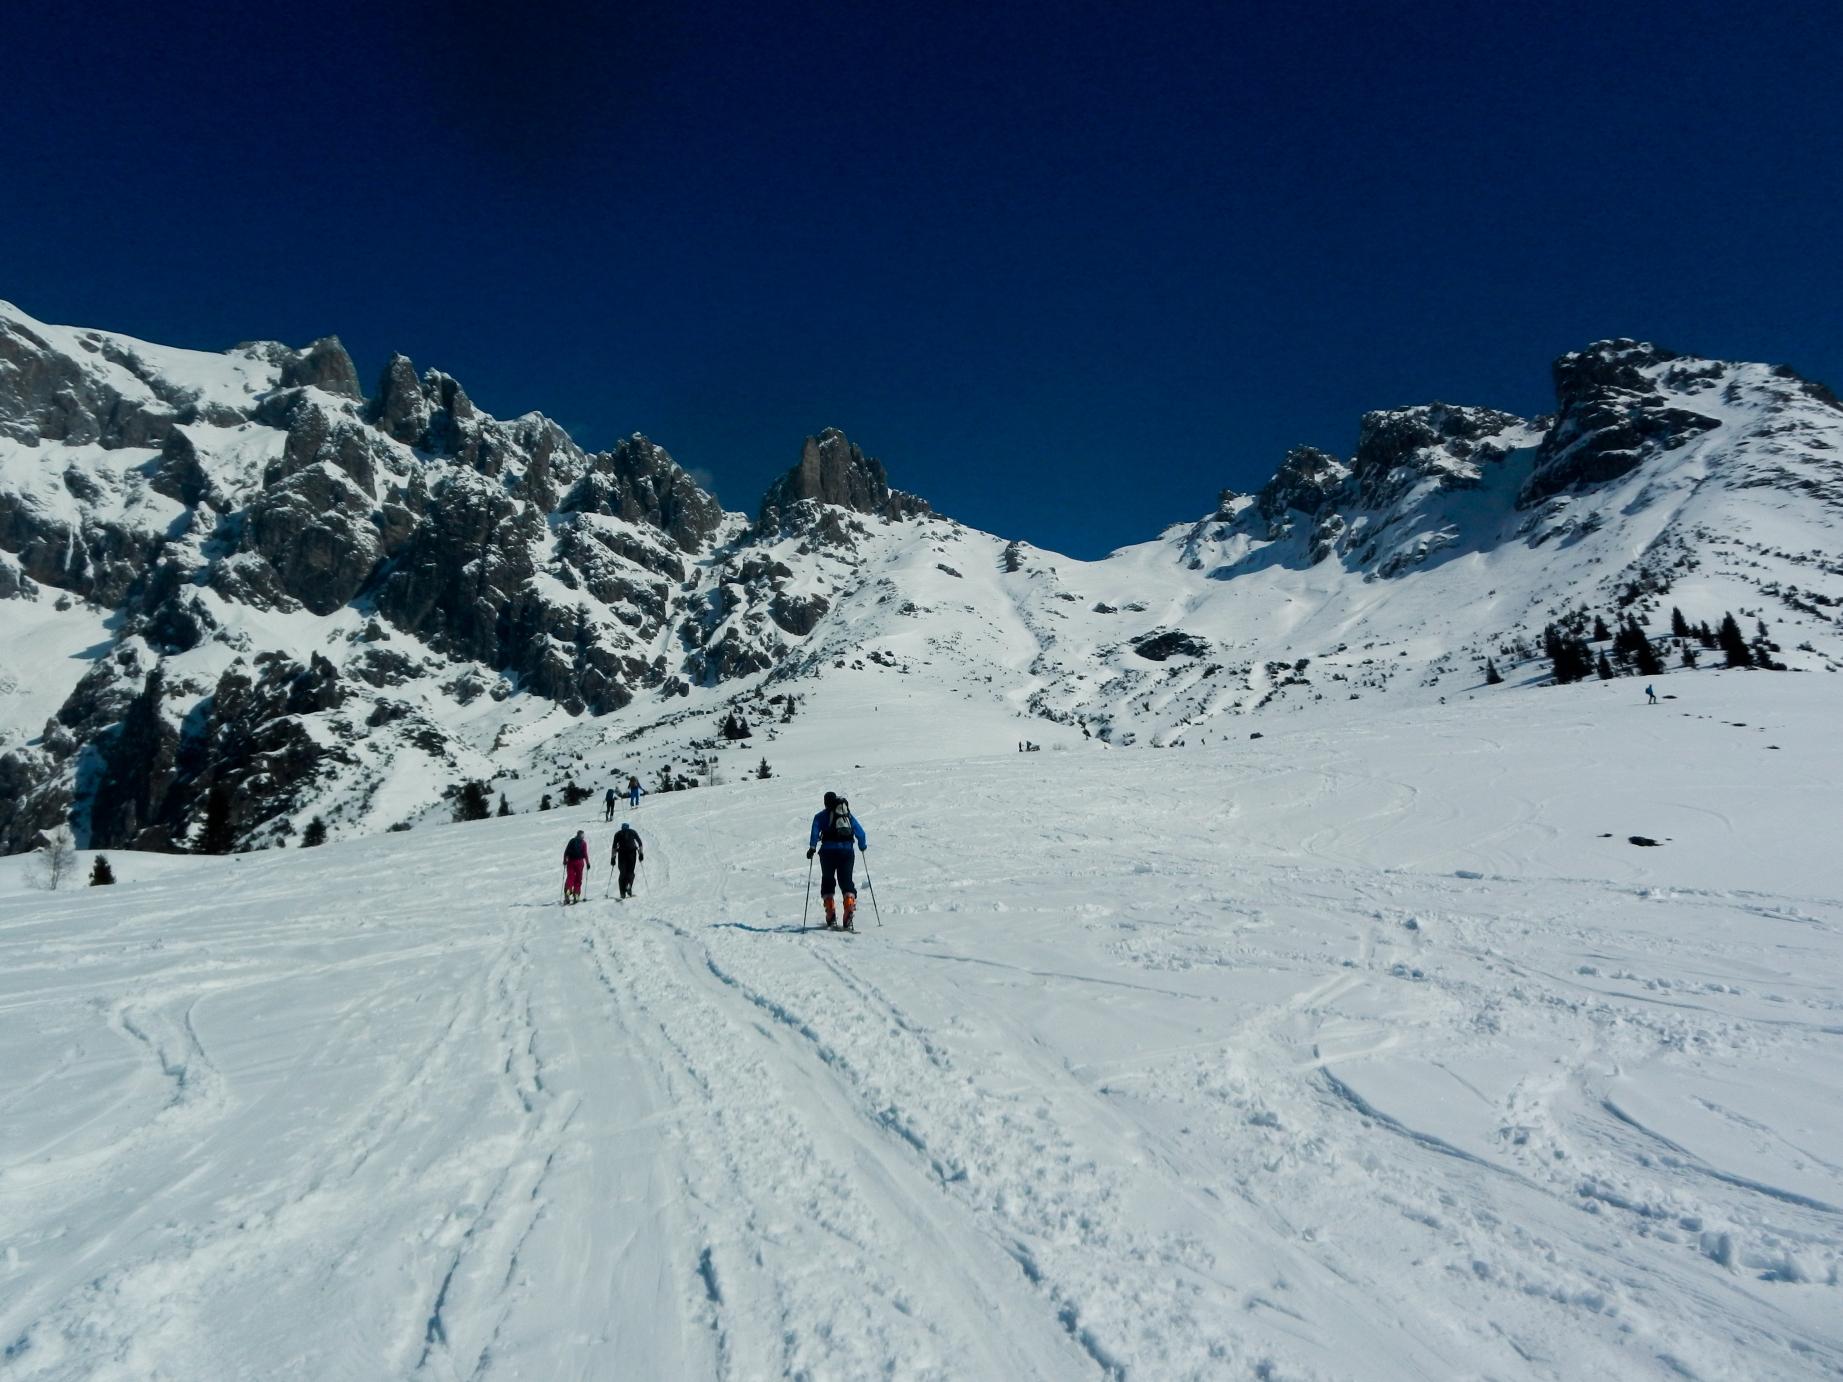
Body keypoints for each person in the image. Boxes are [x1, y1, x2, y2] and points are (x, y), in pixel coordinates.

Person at [806, 790, 868, 930]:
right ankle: (849, 904)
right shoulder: (847, 816)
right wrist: (862, 845)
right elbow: (861, 833)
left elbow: (815, 832)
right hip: (847, 852)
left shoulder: (820, 816)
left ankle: (830, 912)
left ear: (825, 802)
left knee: (828, 880)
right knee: (846, 880)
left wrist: (812, 848)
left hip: (827, 853)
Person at [612, 821, 643, 899]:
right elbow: (640, 843)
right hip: (632, 854)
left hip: (622, 854)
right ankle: (628, 886)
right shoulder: (633, 832)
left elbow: (614, 847)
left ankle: (622, 893)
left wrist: (613, 858)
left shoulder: (618, 834)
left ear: (622, 828)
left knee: (622, 873)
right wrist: (641, 853)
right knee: (630, 872)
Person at [562, 829, 590, 904]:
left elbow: (566, 851)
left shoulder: (571, 841)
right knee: (578, 879)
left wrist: (565, 860)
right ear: (582, 836)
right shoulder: (583, 843)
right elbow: (585, 853)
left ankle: (568, 893)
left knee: (570, 878)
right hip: (580, 862)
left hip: (571, 862)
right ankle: (576, 896)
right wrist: (587, 863)